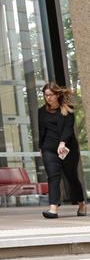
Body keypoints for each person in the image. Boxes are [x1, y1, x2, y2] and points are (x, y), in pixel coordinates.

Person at [39, 82, 86, 218]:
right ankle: (53, 208)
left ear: (57, 94)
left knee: (71, 177)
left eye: (50, 95)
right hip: (49, 149)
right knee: (53, 177)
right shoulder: (41, 111)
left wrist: (62, 143)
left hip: (67, 149)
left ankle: (81, 203)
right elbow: (42, 130)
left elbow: (68, 129)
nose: (48, 98)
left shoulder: (67, 109)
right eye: (46, 95)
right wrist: (41, 147)